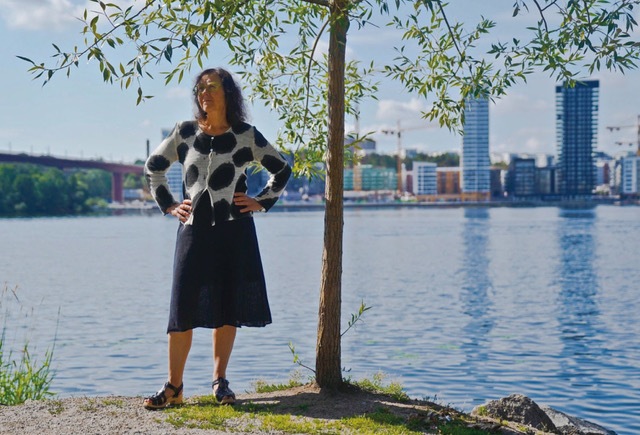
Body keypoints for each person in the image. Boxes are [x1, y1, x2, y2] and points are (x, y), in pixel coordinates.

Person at [143, 67, 291, 409]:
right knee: (182, 307)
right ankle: (174, 388)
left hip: (234, 230)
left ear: (228, 93)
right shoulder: (185, 132)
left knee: (226, 306)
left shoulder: (245, 135)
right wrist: (168, 205)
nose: (204, 94)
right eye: (200, 89)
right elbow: (154, 167)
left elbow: (281, 169)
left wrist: (261, 201)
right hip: (192, 230)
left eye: (211, 88)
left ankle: (219, 381)